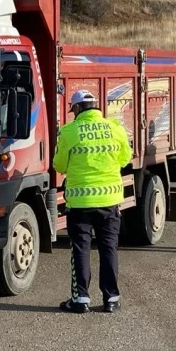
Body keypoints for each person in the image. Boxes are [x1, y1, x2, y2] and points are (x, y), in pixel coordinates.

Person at [53, 90, 133, 314]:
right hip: (109, 200)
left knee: (81, 248)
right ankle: (111, 299)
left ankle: (81, 300)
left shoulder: (69, 131)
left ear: (77, 108)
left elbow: (59, 165)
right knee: (109, 248)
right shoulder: (115, 128)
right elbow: (126, 158)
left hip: (80, 202)